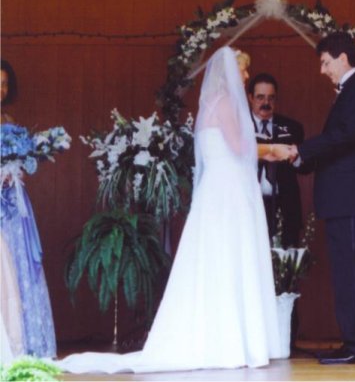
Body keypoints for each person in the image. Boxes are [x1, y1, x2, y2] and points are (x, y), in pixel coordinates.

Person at [59, 47, 284, 373]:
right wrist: (273, 149)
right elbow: (240, 147)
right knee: (232, 255)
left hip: (215, 192)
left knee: (216, 258)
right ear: (230, 72)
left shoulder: (208, 103)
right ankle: (235, 340)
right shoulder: (225, 103)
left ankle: (226, 335)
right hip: (230, 192)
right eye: (244, 70)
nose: (247, 76)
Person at [285, 32, 355, 365]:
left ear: (343, 58)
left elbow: (345, 136)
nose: (322, 70)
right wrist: (302, 159)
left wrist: (300, 150)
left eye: (325, 62)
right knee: (350, 272)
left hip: (354, 199)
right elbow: (343, 140)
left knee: (353, 273)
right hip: (349, 199)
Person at [0, 59, 57, 359]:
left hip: (14, 204)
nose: (1, 89)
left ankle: (29, 340)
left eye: (5, 84)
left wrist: (18, 168)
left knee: (22, 267)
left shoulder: (9, 119)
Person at [248, 72, 306, 246]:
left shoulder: (292, 127)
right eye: (260, 98)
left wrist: (294, 157)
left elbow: (305, 167)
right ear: (250, 98)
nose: (266, 103)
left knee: (286, 262)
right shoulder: (239, 127)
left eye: (271, 98)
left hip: (285, 205)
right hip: (250, 204)